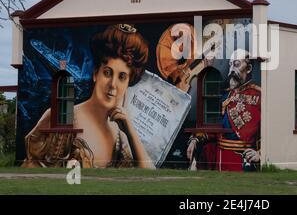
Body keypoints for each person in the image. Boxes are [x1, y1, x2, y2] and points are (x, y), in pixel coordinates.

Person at [22, 24, 155, 169]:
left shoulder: (120, 136)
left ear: (128, 84)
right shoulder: (61, 117)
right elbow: (30, 168)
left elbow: (150, 175)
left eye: (122, 77)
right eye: (107, 73)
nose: (113, 85)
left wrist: (129, 129)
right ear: (95, 74)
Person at [187, 49, 261, 171]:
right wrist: (195, 139)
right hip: (219, 158)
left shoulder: (259, 96)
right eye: (230, 64)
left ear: (248, 69)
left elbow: (270, 131)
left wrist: (260, 154)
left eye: (236, 64)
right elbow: (213, 126)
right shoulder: (225, 96)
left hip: (242, 161)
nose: (232, 69)